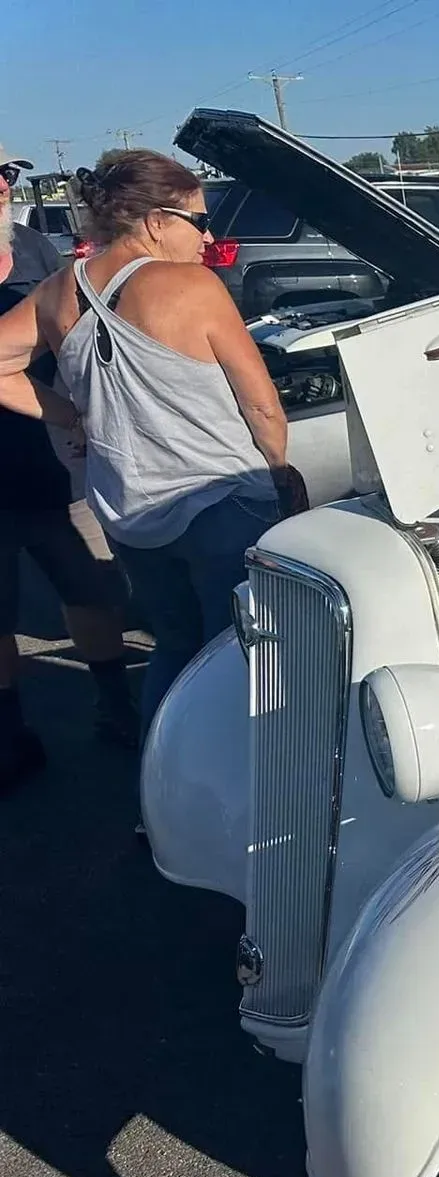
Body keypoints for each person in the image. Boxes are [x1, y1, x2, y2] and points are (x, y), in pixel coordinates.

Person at [0, 148, 306, 749]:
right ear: (155, 220)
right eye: (197, 220)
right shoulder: (194, 286)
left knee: (175, 646)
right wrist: (278, 470)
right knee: (249, 654)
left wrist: (72, 416)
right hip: (220, 502)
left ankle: (160, 783)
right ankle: (252, 788)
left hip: (129, 513)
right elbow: (262, 403)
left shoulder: (61, 290)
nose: (207, 235)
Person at [0, 144, 138, 793]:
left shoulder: (35, 251)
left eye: (5, 174)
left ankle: (116, 708)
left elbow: (65, 340)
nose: (1, 185)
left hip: (50, 456)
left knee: (91, 587)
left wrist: (75, 412)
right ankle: (10, 737)